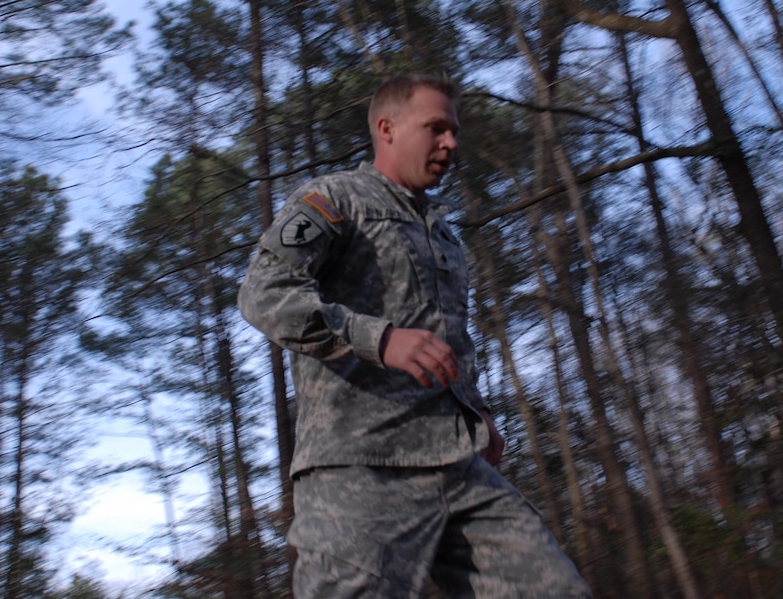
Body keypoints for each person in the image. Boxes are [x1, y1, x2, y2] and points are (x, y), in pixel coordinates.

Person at [238, 73, 591, 598]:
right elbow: (263, 293)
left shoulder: (445, 234)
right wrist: (377, 339)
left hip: (458, 468)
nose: (451, 144)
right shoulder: (334, 199)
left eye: (454, 132)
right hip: (361, 470)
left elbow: (451, 336)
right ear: (387, 128)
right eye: (436, 129)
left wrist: (478, 410)